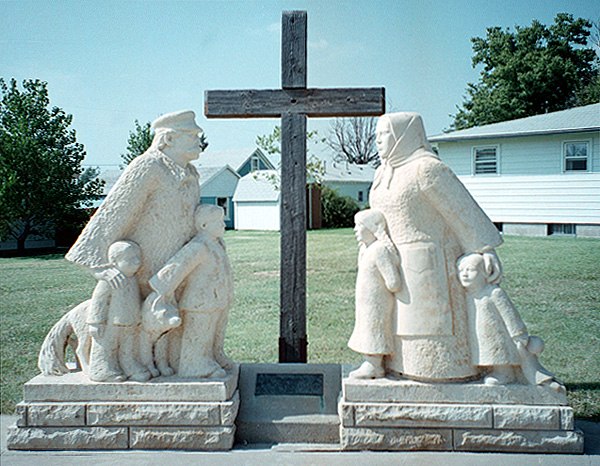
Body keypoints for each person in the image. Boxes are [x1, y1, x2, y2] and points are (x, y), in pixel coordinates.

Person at [368, 112, 503, 381]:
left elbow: (462, 211)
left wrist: (484, 248)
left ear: (403, 135)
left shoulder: (427, 169)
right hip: (391, 263)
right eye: (377, 134)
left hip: (430, 268)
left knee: (430, 344)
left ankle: (442, 376)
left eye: (385, 133)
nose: (378, 140)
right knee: (394, 330)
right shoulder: (382, 173)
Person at [66, 110, 204, 299]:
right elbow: (115, 212)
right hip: (144, 274)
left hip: (176, 271)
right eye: (191, 135)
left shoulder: (191, 173)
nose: (199, 141)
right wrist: (98, 266)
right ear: (169, 138)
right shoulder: (148, 166)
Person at [149, 204, 233, 378]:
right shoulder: (198, 247)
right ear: (203, 226)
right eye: (218, 221)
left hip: (217, 299)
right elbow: (176, 267)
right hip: (199, 302)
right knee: (199, 333)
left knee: (212, 331)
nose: (223, 225)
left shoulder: (217, 243)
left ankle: (212, 357)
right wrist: (161, 290)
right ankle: (194, 365)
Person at [457, 253, 561, 389]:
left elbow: (509, 314)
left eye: (470, 270)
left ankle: (504, 373)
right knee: (483, 351)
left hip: (496, 334)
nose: (464, 274)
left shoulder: (494, 293)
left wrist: (518, 333)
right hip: (477, 333)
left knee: (497, 352)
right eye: (461, 270)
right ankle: (491, 371)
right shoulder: (466, 295)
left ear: (485, 273)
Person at [348, 209, 402, 379]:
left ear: (371, 228)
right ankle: (371, 363)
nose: (355, 230)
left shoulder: (379, 250)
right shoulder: (366, 249)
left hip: (377, 302)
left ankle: (375, 365)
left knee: (375, 329)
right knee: (366, 328)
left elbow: (393, 282)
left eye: (359, 226)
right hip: (366, 301)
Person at [87, 240, 150, 382]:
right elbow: (99, 300)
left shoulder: (133, 278)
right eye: (130, 259)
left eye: (138, 257)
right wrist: (95, 322)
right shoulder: (109, 280)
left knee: (128, 347)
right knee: (107, 346)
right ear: (114, 262)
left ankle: (130, 366)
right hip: (112, 323)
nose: (137, 262)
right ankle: (102, 369)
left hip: (131, 320)